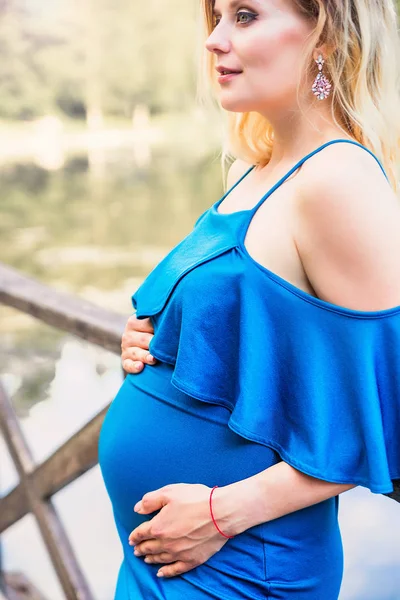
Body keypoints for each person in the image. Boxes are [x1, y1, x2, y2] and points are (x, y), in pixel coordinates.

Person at [98, 0, 400, 598]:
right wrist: (158, 334)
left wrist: (222, 514)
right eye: (215, 18)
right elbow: (268, 338)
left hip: (240, 564)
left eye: (244, 15)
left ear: (326, 35)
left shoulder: (338, 179)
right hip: (165, 556)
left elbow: (391, 407)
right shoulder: (254, 168)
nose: (213, 40)